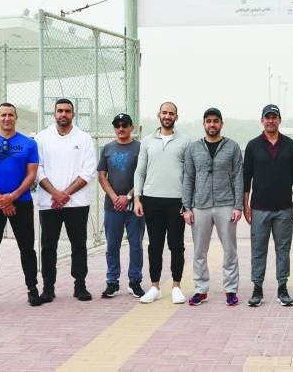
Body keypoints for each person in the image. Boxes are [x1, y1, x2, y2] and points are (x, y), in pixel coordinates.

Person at [0, 102, 43, 310]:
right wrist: (0, 199)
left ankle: (32, 289)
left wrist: (12, 197)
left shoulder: (29, 144)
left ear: (16, 117)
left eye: (10, 115)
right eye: (3, 115)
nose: (7, 118)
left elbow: (31, 174)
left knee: (27, 248)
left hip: (21, 203)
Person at [34, 98, 98, 302]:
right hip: (49, 202)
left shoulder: (85, 138)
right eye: (60, 110)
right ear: (54, 113)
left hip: (77, 203)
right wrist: (55, 193)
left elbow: (88, 171)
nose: (63, 114)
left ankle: (80, 286)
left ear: (73, 114)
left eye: (67, 111)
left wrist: (65, 194)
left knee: (78, 244)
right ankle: (48, 288)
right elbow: (37, 169)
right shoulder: (42, 138)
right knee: (48, 246)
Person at [181, 107, 244, 306]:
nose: (212, 124)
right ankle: (201, 290)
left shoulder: (232, 147)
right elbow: (188, 178)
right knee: (199, 251)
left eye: (216, 121)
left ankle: (231, 289)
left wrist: (238, 206)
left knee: (230, 250)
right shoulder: (193, 148)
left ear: (221, 124)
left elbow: (238, 177)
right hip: (200, 205)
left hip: (226, 204)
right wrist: (186, 207)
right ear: (204, 124)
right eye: (208, 121)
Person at [242, 104, 293, 307]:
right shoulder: (253, 145)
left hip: (284, 208)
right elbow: (246, 178)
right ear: (262, 121)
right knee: (258, 250)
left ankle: (282, 288)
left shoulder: (290, 145)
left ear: (279, 120)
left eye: (274, 117)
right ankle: (257, 289)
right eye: (267, 117)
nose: (270, 121)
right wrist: (245, 205)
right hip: (259, 208)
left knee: (283, 249)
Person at [133, 102, 189, 305]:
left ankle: (176, 286)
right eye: (164, 112)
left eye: (171, 113)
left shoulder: (185, 142)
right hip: (151, 200)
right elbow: (140, 172)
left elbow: (189, 175)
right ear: (159, 114)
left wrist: (188, 203)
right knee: (154, 245)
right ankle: (155, 286)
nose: (167, 116)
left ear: (176, 116)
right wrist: (138, 198)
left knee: (176, 245)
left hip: (176, 201)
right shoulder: (147, 141)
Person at [98, 113, 144, 298]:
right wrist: (115, 197)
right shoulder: (108, 148)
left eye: (125, 125)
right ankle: (112, 282)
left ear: (132, 127)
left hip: (135, 206)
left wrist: (129, 196)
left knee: (135, 245)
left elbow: (144, 175)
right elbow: (102, 175)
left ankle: (135, 281)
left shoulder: (140, 148)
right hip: (113, 206)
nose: (121, 128)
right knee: (112, 246)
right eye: (117, 125)